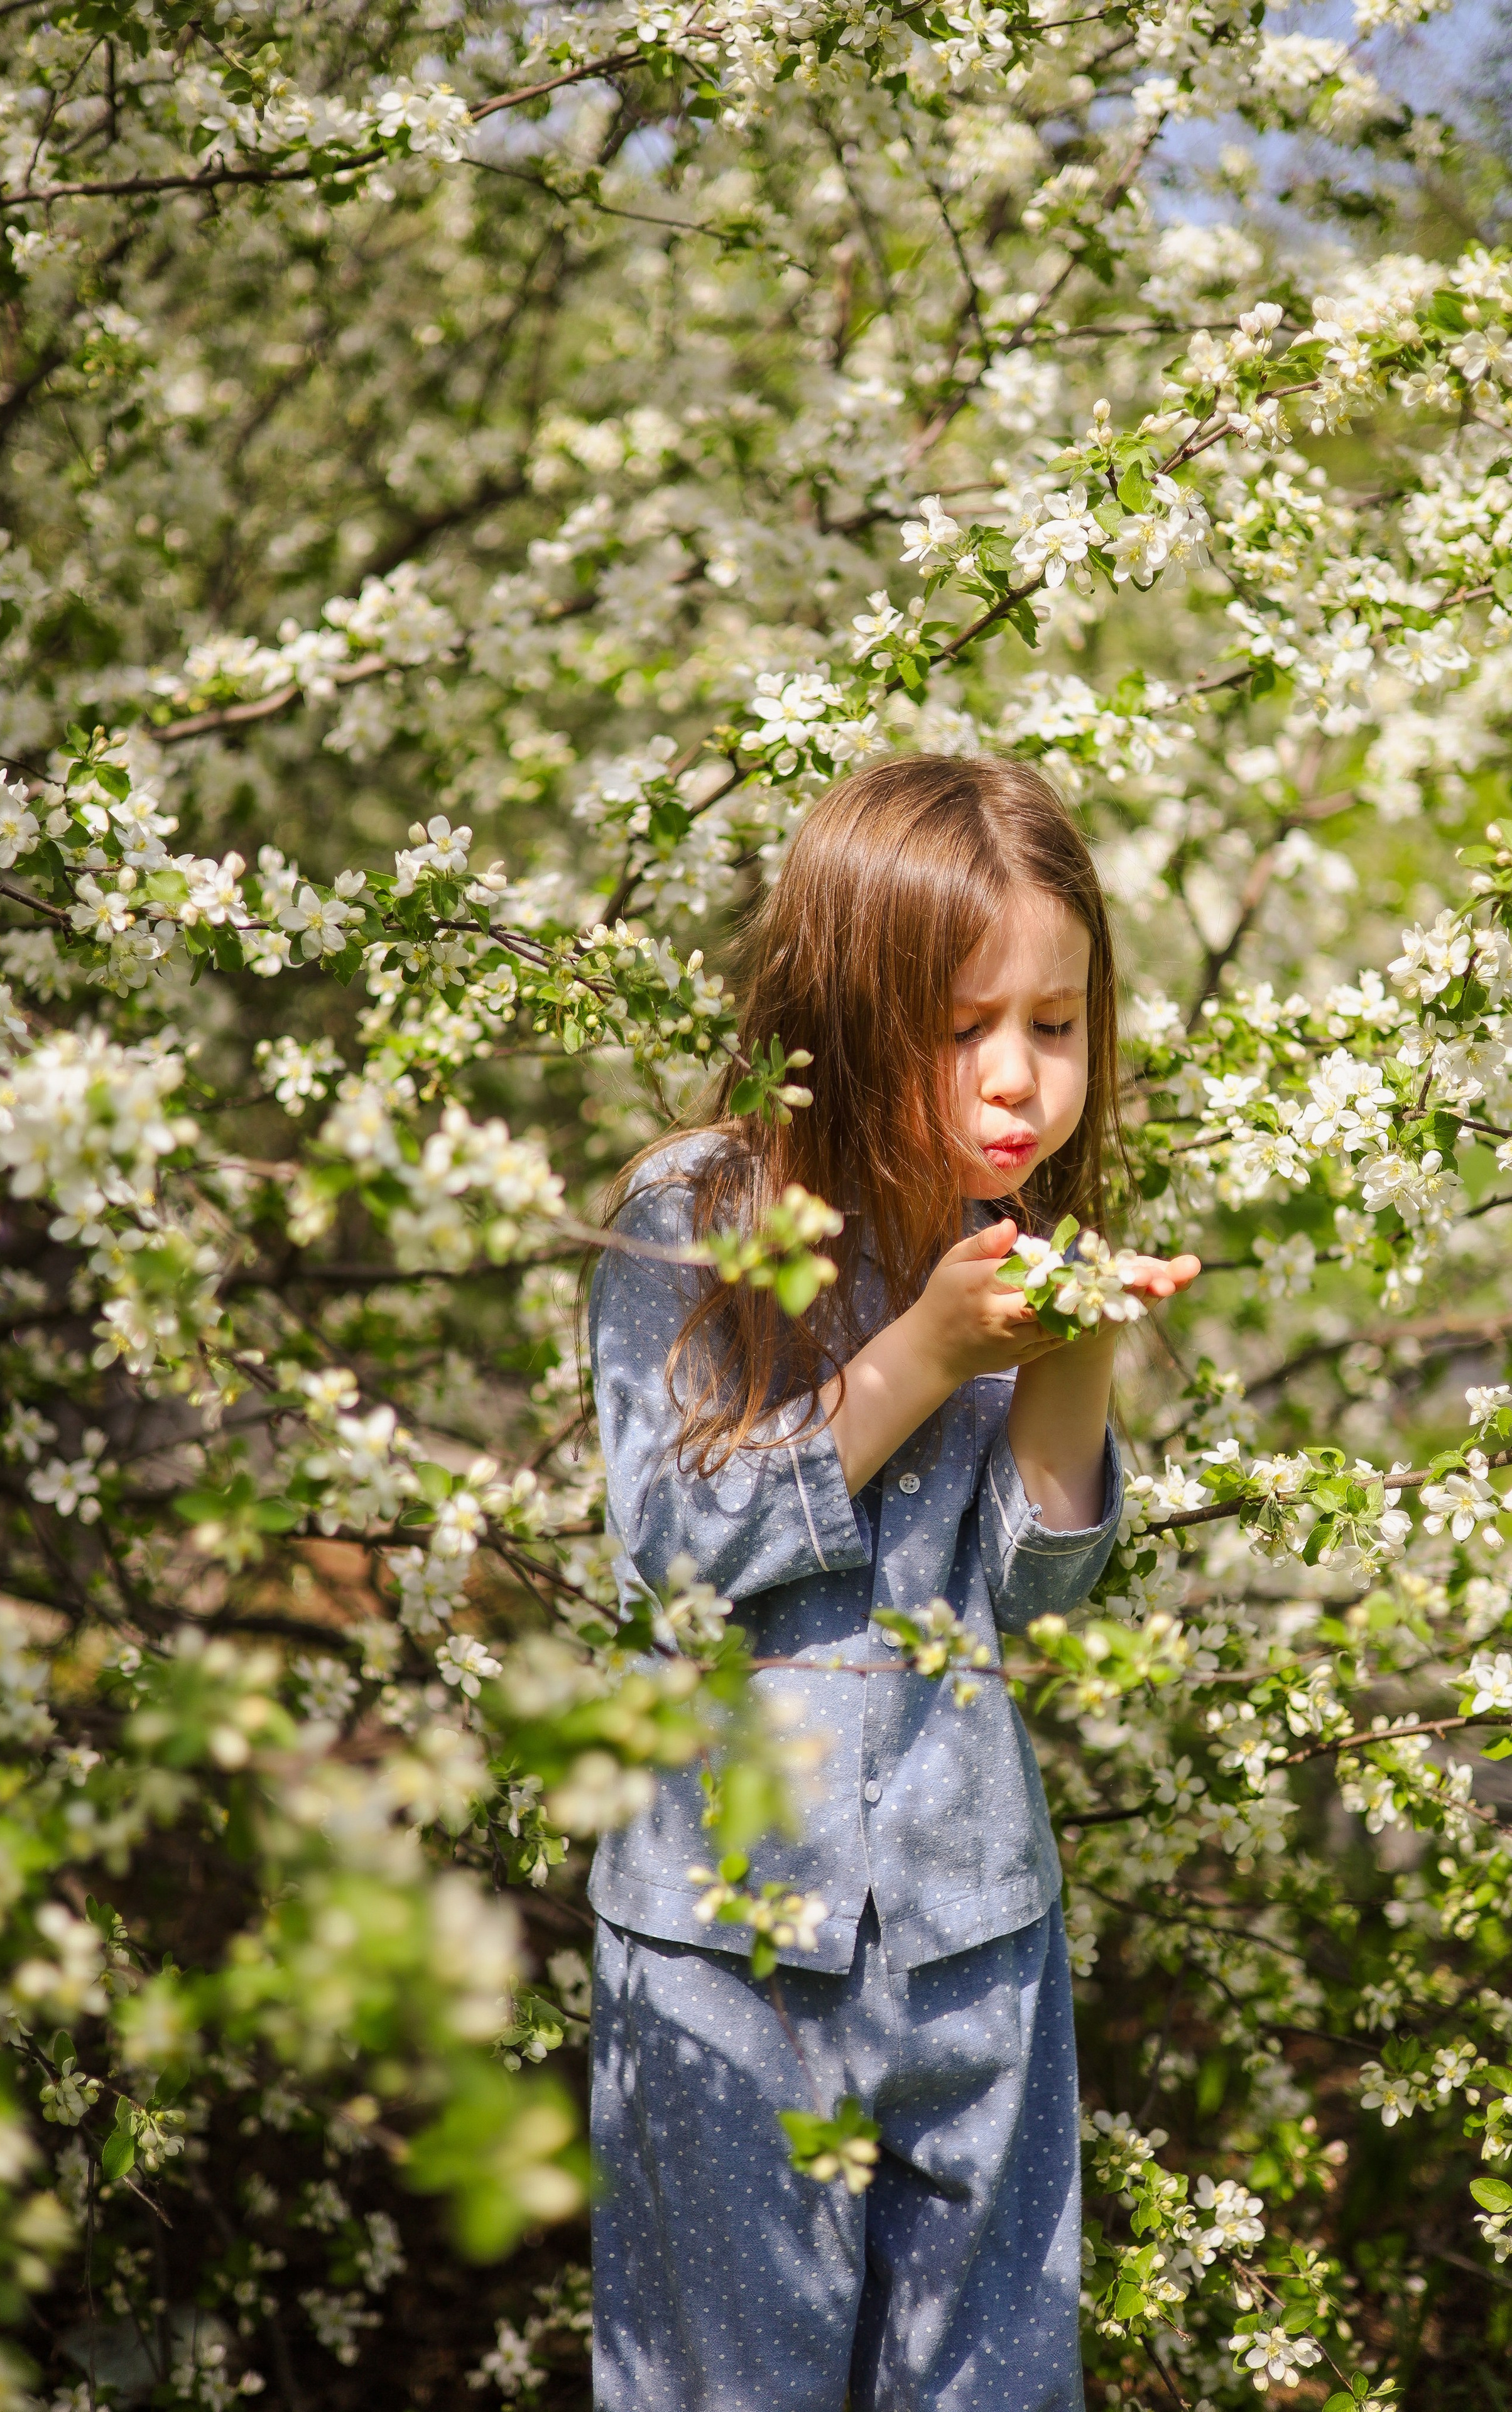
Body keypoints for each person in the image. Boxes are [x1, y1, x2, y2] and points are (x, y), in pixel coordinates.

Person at [585, 753, 1201, 2412]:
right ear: (852, 1010)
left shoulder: (1016, 1233)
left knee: (994, 2381)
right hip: (731, 1962)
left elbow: (1038, 1588)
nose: (1018, 1080)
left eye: (1055, 1025)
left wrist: (1073, 1353)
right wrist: (925, 1348)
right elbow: (674, 1555)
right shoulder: (698, 1213)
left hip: (970, 1940)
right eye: (960, 1026)